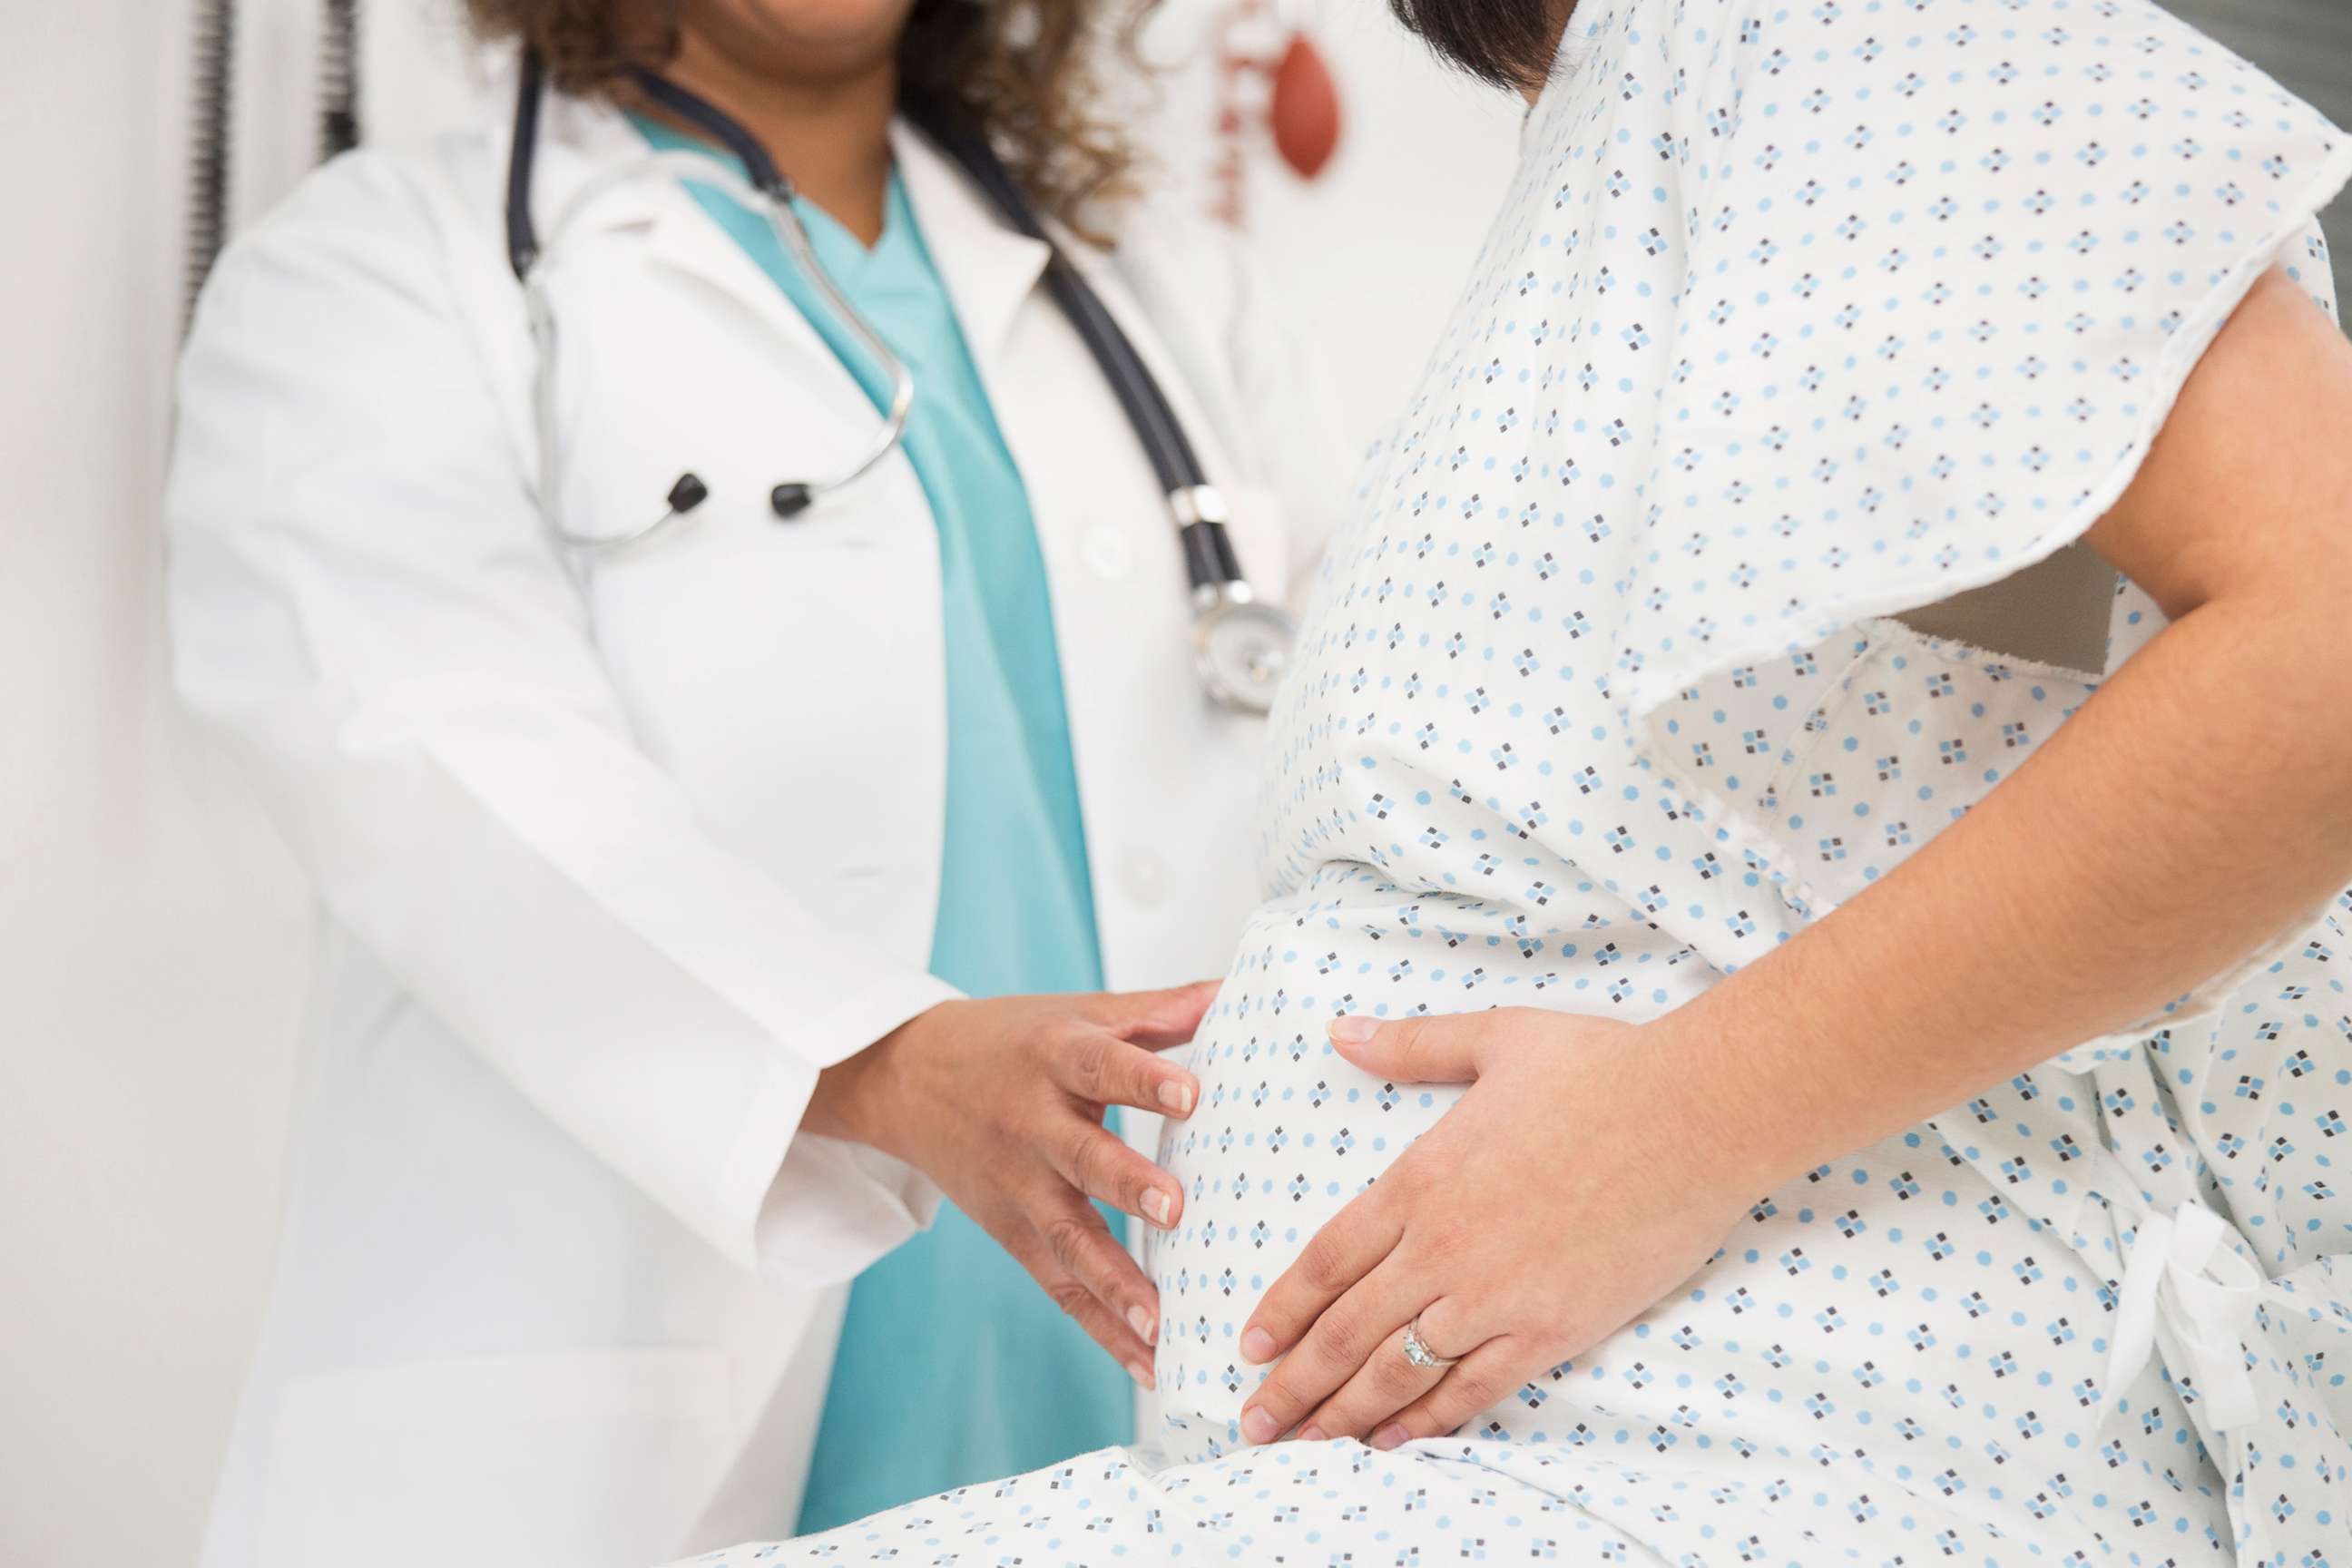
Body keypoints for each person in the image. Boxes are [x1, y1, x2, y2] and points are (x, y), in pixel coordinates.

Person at [670, 0, 2352, 1563]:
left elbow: (2327, 636)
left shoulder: (1837, 26)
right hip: (1545, 1472)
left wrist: (1680, 1122)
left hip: (1759, 1468)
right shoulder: (1651, 104)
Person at [164, 0, 1336, 1561]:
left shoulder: (1166, 296)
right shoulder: (382, 277)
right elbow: (445, 775)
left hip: (1133, 1412)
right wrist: (888, 1065)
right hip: (613, 1455)